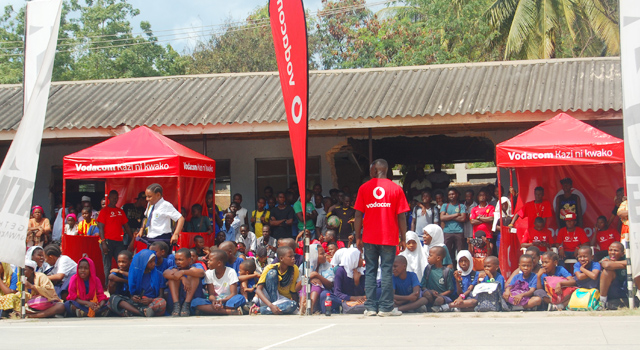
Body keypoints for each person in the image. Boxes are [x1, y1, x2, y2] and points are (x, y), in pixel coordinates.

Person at [354, 159, 409, 317]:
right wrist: (403, 237)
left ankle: (370, 307)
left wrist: (358, 237)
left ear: (373, 171)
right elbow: (402, 217)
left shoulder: (364, 188)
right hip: (389, 237)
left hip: (369, 237)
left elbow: (358, 214)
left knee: (370, 271)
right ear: (387, 170)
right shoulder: (396, 189)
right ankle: (386, 308)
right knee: (386, 271)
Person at [110, 249, 166, 317]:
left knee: (162, 302)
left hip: (152, 302)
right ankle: (141, 312)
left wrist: (150, 300)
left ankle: (143, 310)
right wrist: (134, 297)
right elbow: (131, 294)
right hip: (137, 303)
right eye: (151, 262)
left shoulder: (159, 275)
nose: (154, 263)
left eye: (154, 261)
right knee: (113, 298)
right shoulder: (135, 275)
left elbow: (161, 295)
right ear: (143, 262)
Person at [191, 249, 244, 315]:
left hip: (227, 301)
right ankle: (229, 311)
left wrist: (222, 301)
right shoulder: (208, 273)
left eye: (210, 260)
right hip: (214, 302)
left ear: (219, 263)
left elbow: (233, 293)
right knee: (195, 302)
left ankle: (210, 310)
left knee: (240, 298)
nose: (208, 262)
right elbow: (211, 294)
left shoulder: (231, 272)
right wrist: (214, 301)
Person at [97, 190, 133, 286]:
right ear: (108, 198)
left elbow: (126, 226)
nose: (115, 200)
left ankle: (120, 284)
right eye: (113, 198)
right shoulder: (104, 211)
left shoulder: (120, 211)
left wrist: (133, 237)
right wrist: (103, 242)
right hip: (107, 241)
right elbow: (100, 227)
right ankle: (107, 285)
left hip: (118, 242)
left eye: (116, 198)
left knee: (122, 264)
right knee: (107, 265)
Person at [254, 246, 300, 315]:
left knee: (293, 304)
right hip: (268, 299)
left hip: (282, 300)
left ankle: (260, 310)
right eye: (290, 256)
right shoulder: (269, 268)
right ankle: (272, 307)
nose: (293, 258)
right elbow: (258, 290)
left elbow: (292, 291)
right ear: (281, 258)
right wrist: (271, 305)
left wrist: (297, 306)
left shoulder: (294, 269)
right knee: (272, 274)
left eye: (293, 256)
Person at [137, 183, 185, 248]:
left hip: (162, 238)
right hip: (150, 237)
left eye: (149, 196)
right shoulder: (150, 204)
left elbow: (181, 218)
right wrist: (141, 230)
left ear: (158, 195)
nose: (147, 199)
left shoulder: (166, 205)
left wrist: (176, 234)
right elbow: (146, 218)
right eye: (146, 196)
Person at [163, 248, 206, 317]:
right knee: (173, 275)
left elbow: (201, 273)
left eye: (180, 260)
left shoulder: (196, 266)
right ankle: (176, 305)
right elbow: (165, 273)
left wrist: (183, 272)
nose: (177, 262)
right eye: (176, 259)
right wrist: (182, 278)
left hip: (193, 301)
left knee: (193, 274)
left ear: (189, 259)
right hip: (177, 300)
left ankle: (187, 304)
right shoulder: (174, 268)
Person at [302, 244, 335, 314]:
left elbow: (330, 284)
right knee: (305, 286)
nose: (325, 255)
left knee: (316, 285)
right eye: (322, 254)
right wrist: (309, 278)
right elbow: (298, 285)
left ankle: (311, 307)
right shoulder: (304, 267)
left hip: (322, 292)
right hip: (304, 289)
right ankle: (302, 307)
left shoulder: (327, 266)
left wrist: (317, 275)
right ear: (314, 255)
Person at [332, 247, 366, 313]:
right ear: (353, 259)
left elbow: (361, 293)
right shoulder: (341, 271)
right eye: (360, 258)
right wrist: (353, 298)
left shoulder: (361, 271)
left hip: (358, 301)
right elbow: (337, 292)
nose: (362, 260)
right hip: (345, 299)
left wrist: (357, 282)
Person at [440, 188, 467, 267]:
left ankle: (460, 268)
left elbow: (463, 218)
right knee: (446, 251)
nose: (451, 196)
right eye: (449, 194)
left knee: (460, 251)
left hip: (459, 231)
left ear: (457, 195)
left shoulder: (461, 206)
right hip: (447, 231)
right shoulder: (445, 205)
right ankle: (446, 268)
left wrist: (448, 216)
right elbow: (442, 218)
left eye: (453, 194)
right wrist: (456, 215)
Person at [423, 246, 455, 312]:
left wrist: (440, 295)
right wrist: (431, 291)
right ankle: (429, 307)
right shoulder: (428, 269)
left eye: (430, 255)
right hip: (430, 294)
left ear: (438, 258)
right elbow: (423, 286)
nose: (428, 257)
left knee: (439, 300)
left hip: (442, 296)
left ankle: (435, 307)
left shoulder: (447, 271)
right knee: (426, 294)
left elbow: (450, 290)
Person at [599, 242, 628, 309]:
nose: (612, 252)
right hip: (612, 289)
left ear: (622, 253)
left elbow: (629, 262)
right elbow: (607, 265)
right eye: (610, 250)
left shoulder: (626, 257)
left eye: (616, 250)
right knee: (607, 271)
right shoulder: (606, 258)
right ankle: (602, 302)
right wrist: (623, 265)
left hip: (625, 288)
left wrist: (613, 263)